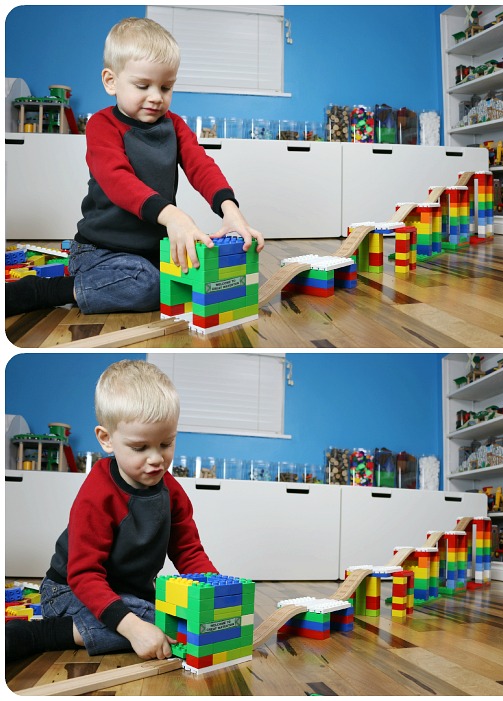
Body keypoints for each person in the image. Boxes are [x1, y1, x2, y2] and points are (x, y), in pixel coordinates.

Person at [6, 17, 264, 317]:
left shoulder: (175, 126)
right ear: (111, 81)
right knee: (148, 286)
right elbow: (117, 180)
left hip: (154, 251)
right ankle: (50, 291)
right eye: (143, 85)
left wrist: (230, 209)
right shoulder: (102, 125)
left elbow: (201, 166)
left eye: (166, 87)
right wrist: (173, 216)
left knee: (195, 274)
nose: (156, 97)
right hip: (100, 251)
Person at [5, 359, 218, 662]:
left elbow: (188, 552)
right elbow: (84, 575)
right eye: (140, 447)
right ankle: (42, 634)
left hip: (129, 594)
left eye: (166, 443)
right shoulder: (98, 494)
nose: (156, 459)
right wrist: (133, 628)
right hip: (69, 591)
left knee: (181, 617)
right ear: (106, 439)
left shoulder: (172, 493)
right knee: (159, 624)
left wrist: (218, 598)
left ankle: (131, 619)